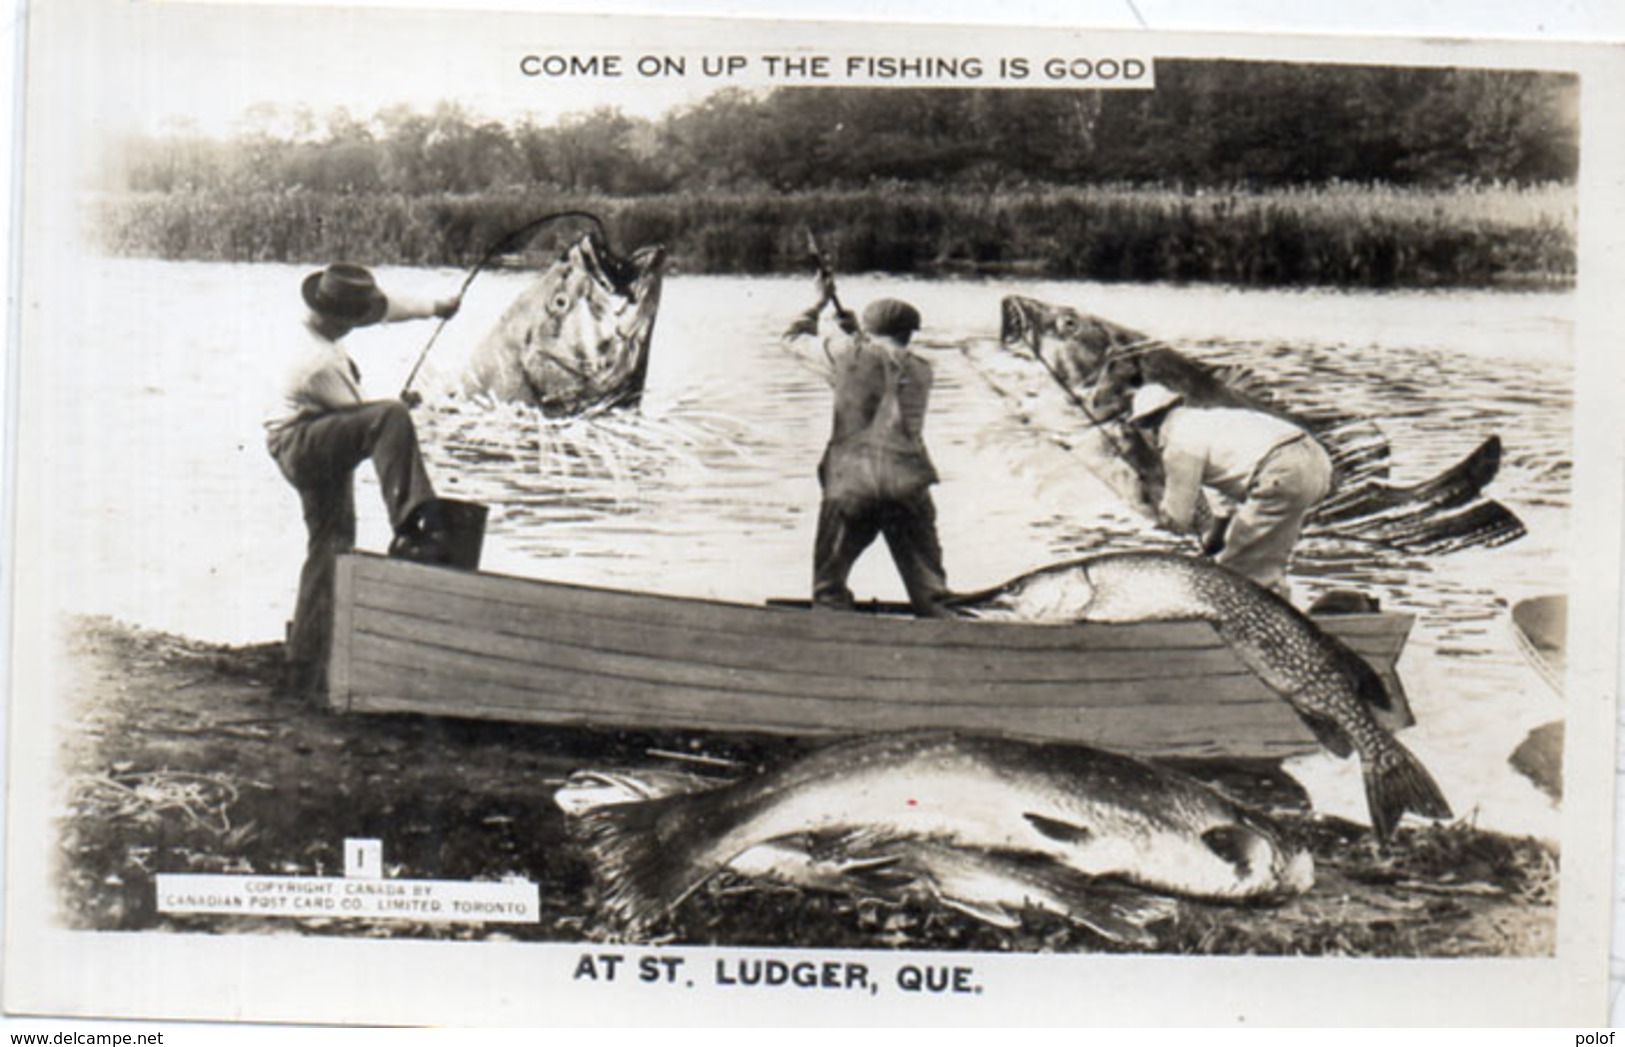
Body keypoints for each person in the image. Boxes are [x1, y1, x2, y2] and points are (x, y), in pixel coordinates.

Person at [264, 263, 462, 698]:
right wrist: (397, 409)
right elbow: (368, 417)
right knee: (390, 416)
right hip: (302, 444)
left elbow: (386, 308)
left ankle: (307, 654)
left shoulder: (324, 323)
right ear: (338, 318)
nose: (361, 326)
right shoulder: (315, 361)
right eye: (356, 321)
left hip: (311, 431)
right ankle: (415, 520)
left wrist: (436, 307)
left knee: (331, 542)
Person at [783, 279, 953, 618]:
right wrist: (856, 332)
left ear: (870, 329)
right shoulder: (922, 371)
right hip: (907, 483)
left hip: (852, 486)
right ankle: (948, 637)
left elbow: (792, 339)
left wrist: (818, 304)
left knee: (829, 586)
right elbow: (882, 361)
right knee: (931, 592)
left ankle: (833, 637)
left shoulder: (847, 355)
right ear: (910, 334)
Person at [1127, 382, 1333, 599]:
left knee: (1236, 571)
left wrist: (1151, 505)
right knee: (1265, 560)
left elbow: (1178, 519)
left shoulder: (1179, 444)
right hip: (1315, 462)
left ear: (1146, 426)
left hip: (1281, 470)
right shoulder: (1211, 421)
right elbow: (1223, 501)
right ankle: (1283, 618)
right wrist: (1215, 540)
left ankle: (1247, 625)